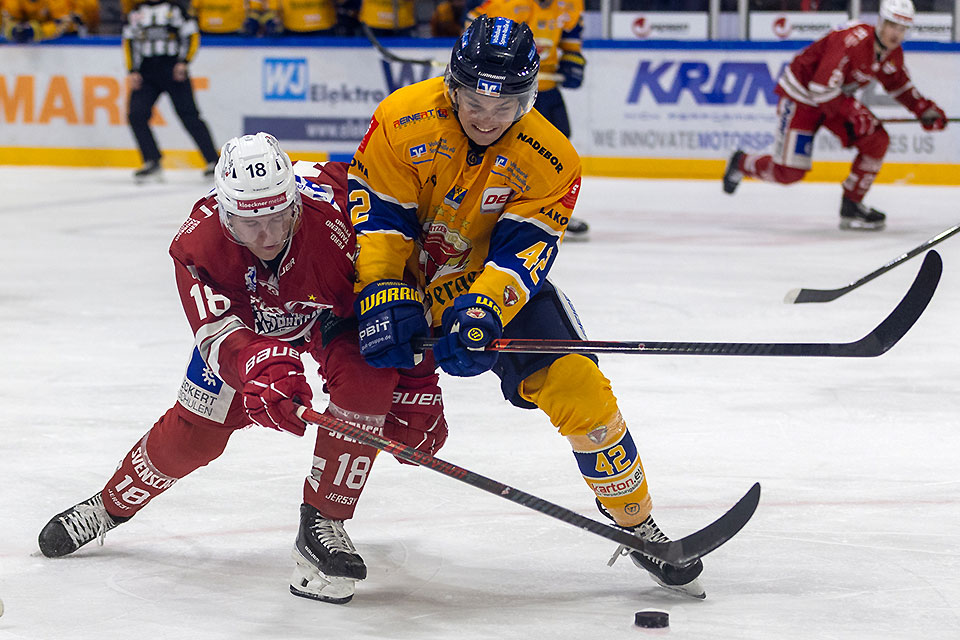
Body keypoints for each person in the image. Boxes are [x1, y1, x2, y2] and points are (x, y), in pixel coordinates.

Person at [347, 15, 705, 599]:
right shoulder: (401, 117)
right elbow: (380, 213)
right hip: (403, 285)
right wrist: (384, 289)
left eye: (504, 105)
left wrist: (483, 308)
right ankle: (324, 519)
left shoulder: (552, 158)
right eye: (473, 102)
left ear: (528, 98)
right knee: (354, 389)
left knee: (580, 388)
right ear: (452, 86)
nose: (486, 119)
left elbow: (522, 256)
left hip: (493, 289)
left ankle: (639, 526)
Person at [37, 133, 448, 605]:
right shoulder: (198, 244)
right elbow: (215, 334)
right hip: (246, 326)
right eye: (250, 224)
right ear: (224, 211)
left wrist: (418, 383)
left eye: (278, 217)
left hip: (331, 314)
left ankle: (323, 524)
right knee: (194, 436)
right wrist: (257, 362)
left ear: (294, 199)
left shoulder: (342, 214)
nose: (268, 237)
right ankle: (109, 507)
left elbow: (395, 300)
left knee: (367, 381)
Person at [722, 0, 948, 231]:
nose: (896, 33)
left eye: (902, 28)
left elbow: (899, 85)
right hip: (802, 98)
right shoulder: (852, 41)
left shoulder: (892, 54)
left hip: (833, 100)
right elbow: (819, 87)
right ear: (880, 21)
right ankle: (742, 162)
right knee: (789, 172)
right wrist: (854, 111)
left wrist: (924, 109)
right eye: (892, 25)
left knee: (876, 139)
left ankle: (852, 203)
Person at [465, 1, 590, 241]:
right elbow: (473, 27)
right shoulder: (505, 3)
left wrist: (573, 58)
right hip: (511, 95)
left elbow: (570, 35)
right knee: (504, 150)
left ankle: (554, 208)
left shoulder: (569, 4)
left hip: (547, 89)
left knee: (557, 151)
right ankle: (489, 210)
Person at [122, 0, 220, 183]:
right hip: (146, 70)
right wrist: (132, 70)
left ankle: (213, 161)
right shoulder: (136, 12)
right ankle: (152, 161)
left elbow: (192, 36)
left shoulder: (176, 10)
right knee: (136, 114)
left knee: (189, 115)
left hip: (173, 67)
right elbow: (129, 42)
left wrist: (184, 61)